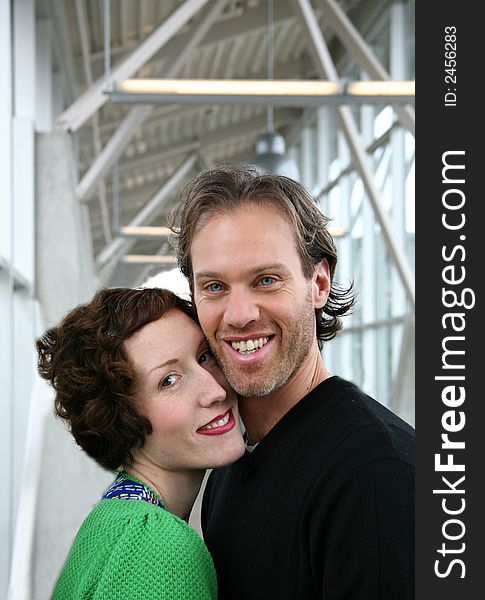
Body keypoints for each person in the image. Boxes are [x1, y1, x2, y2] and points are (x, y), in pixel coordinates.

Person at [170, 165, 415, 599]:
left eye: (266, 280)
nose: (239, 314)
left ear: (319, 283)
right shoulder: (232, 460)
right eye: (215, 286)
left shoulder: (375, 474)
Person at [36, 287, 245, 599]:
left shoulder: (111, 522)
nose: (214, 390)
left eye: (204, 356)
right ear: (120, 417)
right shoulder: (160, 546)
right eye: (169, 381)